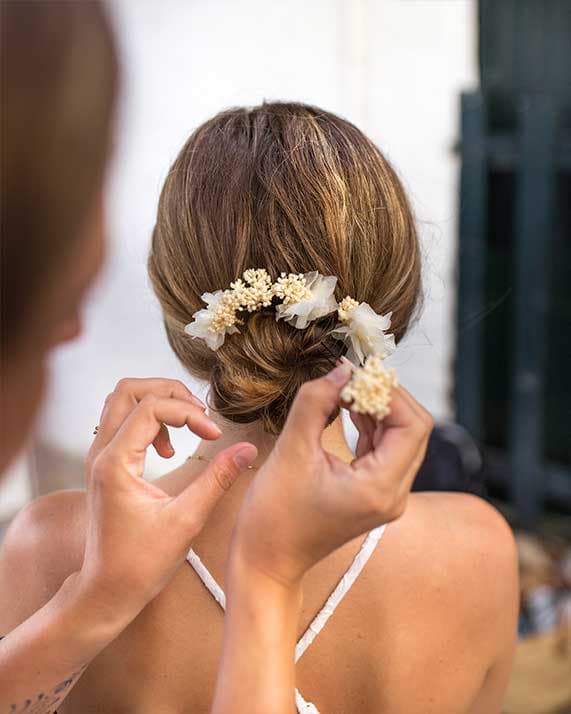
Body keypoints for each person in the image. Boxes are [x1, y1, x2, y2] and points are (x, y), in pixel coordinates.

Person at [0, 98, 518, 713]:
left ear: (180, 309)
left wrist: (88, 595)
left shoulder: (51, 546)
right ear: (391, 305)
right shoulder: (481, 551)